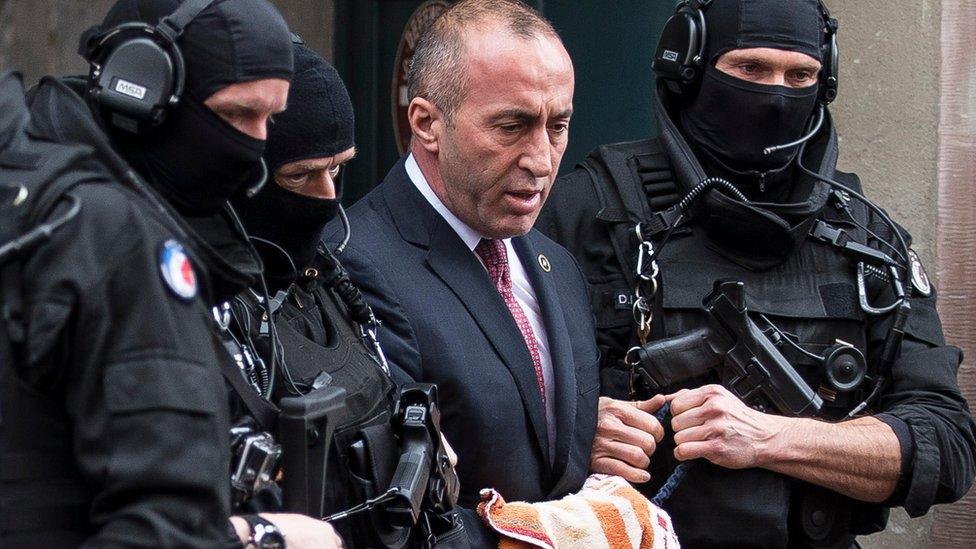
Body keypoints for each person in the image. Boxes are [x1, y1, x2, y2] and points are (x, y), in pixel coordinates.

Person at [537, 0, 976, 547]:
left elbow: (947, 445)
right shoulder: (583, 211)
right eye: (750, 69)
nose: (775, 95)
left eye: (801, 75)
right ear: (690, 65)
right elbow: (476, 399)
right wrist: (574, 435)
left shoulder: (869, 239)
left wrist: (771, 439)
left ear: (826, 78)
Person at [0, 0, 339, 546]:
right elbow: (163, 520)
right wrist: (259, 536)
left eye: (269, 120)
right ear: (140, 87)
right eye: (234, 115)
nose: (254, 148)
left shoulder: (34, 193)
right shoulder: (113, 239)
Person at [323, 0, 599, 545]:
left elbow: (547, 457)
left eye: (558, 126)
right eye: (512, 126)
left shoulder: (556, 265)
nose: (542, 159)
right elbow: (386, 513)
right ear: (426, 123)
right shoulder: (352, 262)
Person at [227, 38, 465, 548]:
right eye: (302, 175)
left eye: (337, 169)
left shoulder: (327, 277)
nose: (328, 199)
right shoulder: (194, 311)